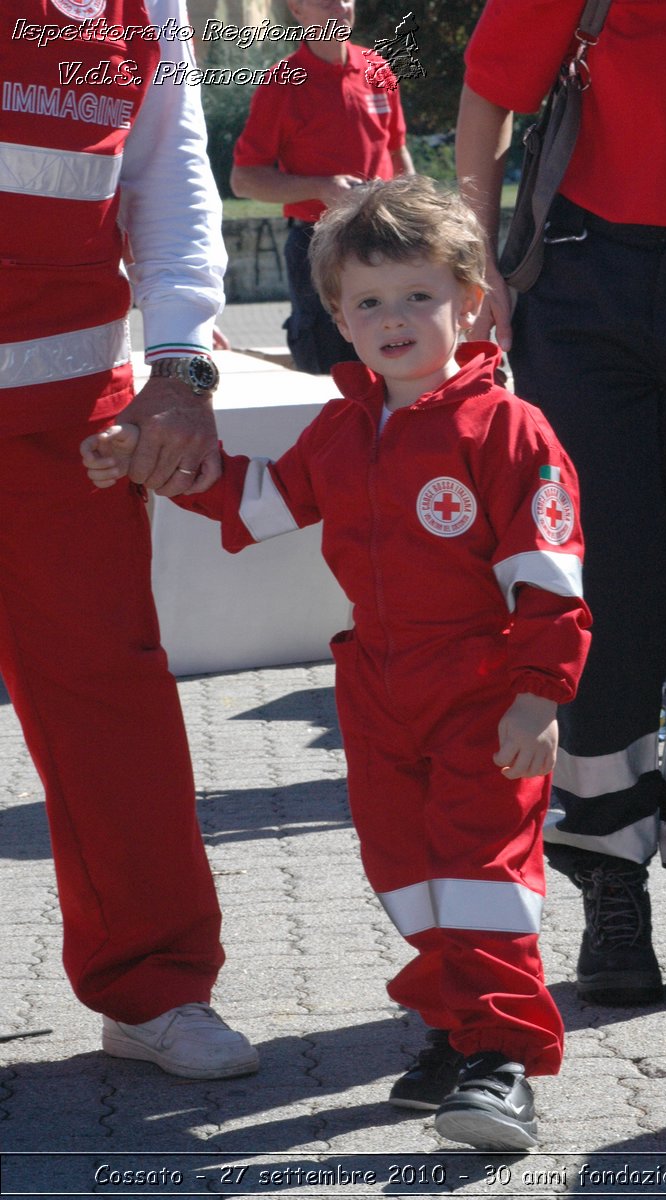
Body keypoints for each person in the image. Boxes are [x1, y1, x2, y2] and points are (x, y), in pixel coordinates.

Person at [81, 176, 592, 1151]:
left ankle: (502, 1063)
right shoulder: (345, 426)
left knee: (483, 878)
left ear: (470, 302)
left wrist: (539, 693)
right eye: (369, 302)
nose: (393, 320)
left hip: (479, 691)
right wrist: (152, 463)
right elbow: (254, 500)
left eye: (417, 296)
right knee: (407, 873)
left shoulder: (508, 431)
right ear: (338, 319)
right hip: (375, 693)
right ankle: (451, 1029)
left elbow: (550, 579)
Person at [456, 0, 666, 1007]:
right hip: (587, 279)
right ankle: (612, 890)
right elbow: (488, 95)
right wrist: (478, 262)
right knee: (605, 590)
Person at [0, 0, 257, 1078]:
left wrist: (184, 365)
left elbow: (170, 180)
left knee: (111, 697)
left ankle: (153, 986)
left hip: (71, 421)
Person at [230, 0, 414, 375]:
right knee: (326, 369)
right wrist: (322, 188)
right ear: (298, 11)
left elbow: (397, 154)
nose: (341, 7)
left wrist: (416, 216)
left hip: (385, 239)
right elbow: (243, 179)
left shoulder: (377, 67)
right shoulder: (282, 84)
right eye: (326, 0)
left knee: (397, 358)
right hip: (319, 243)